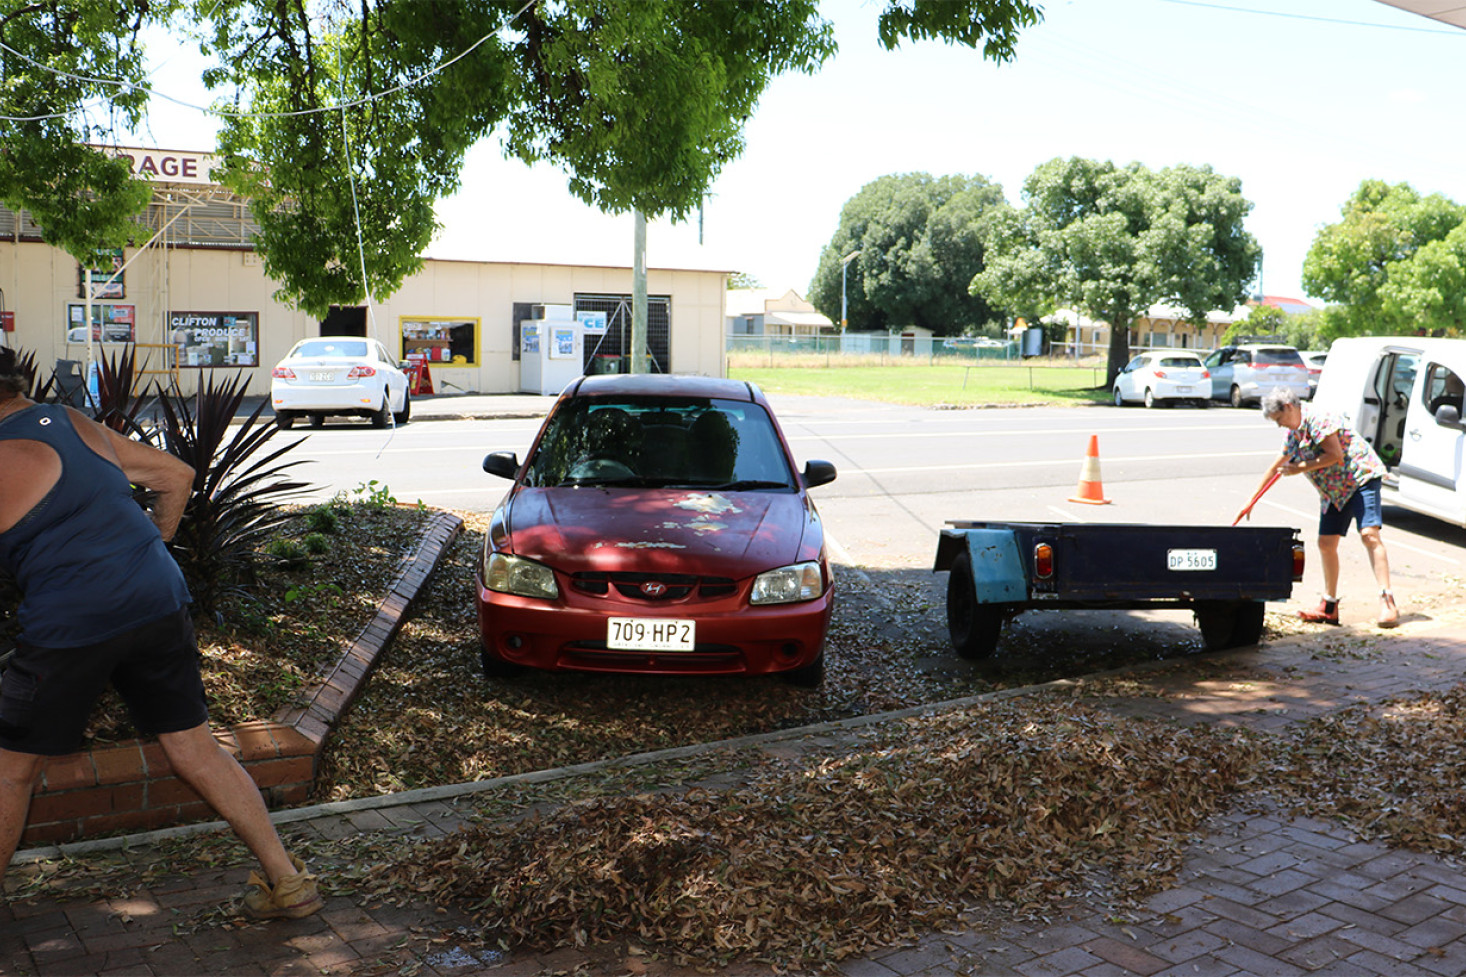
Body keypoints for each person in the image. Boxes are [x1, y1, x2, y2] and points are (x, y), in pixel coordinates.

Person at [0, 347, 320, 917]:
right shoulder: (71, 421)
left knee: (10, 770)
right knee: (194, 747)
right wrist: (152, 546)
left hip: (72, 622)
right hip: (157, 596)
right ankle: (288, 879)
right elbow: (176, 475)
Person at [1237, 386, 1399, 628]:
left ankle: (1388, 602)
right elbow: (1276, 466)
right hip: (1334, 491)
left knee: (1369, 535)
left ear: (1289, 407)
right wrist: (1251, 499)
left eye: (1279, 419)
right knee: (1326, 543)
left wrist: (1300, 467)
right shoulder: (1294, 434)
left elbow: (1335, 455)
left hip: (1360, 478)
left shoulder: (1318, 419)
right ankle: (1329, 606)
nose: (1280, 425)